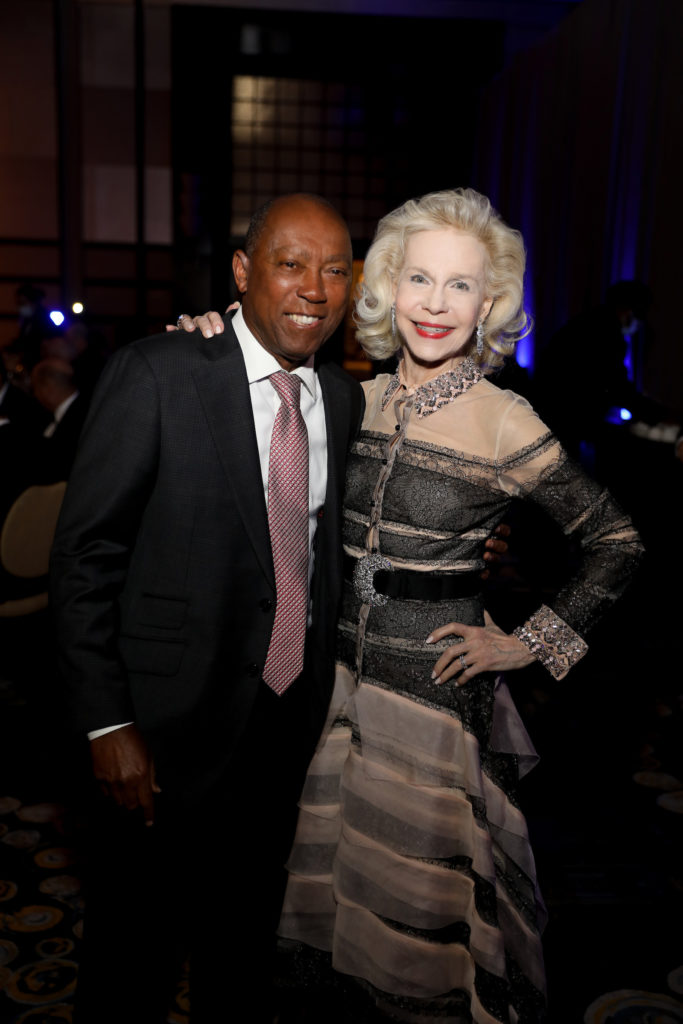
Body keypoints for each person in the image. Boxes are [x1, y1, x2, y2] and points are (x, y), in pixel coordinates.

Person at [181, 188, 644, 1023]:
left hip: (431, 698)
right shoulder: (348, 395)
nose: (435, 304)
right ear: (387, 287)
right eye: (418, 278)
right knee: (336, 909)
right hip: (332, 688)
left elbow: (617, 541)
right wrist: (209, 338)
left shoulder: (505, 419)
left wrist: (528, 643)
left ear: (490, 303)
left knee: (420, 924)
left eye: (460, 285)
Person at [49, 193, 365, 1024]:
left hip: (281, 718)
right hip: (161, 730)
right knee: (133, 954)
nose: (313, 289)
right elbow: (85, 558)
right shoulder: (159, 371)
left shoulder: (340, 399)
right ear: (241, 272)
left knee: (241, 945)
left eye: (334, 270)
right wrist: (105, 723)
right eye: (290, 264)